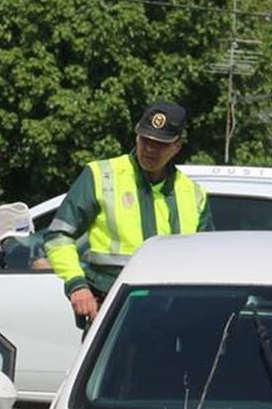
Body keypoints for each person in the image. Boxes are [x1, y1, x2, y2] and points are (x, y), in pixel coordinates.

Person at [43, 101, 212, 326]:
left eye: (160, 143)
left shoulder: (194, 194)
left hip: (173, 317)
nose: (150, 148)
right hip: (112, 311)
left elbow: (206, 261)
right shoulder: (102, 175)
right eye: (145, 139)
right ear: (136, 136)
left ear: (177, 146)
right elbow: (58, 236)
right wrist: (77, 285)